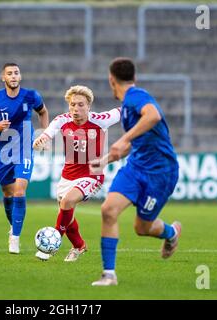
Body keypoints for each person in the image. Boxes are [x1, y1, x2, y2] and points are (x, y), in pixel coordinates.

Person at [89, 57, 181, 286]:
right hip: (135, 168)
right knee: (108, 210)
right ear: (134, 76)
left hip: (160, 173)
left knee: (142, 227)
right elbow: (133, 143)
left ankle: (171, 233)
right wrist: (106, 160)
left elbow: (153, 115)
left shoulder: (136, 96)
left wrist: (124, 138)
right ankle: (109, 275)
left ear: (111, 80)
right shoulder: (129, 107)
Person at [33, 85, 121, 262]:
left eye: (81, 105)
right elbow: (47, 134)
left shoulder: (100, 120)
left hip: (92, 175)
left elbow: (122, 110)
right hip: (68, 175)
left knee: (67, 202)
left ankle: (52, 243)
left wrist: (141, 106)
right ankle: (79, 246)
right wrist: (41, 140)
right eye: (72, 105)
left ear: (89, 106)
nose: (76, 109)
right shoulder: (62, 120)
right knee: (67, 213)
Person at [0, 62, 49, 254]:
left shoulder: (31, 95)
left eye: (16, 73)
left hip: (25, 147)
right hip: (4, 150)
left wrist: (43, 134)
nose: (14, 76)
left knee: (19, 192)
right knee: (8, 194)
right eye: (9, 73)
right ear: (3, 78)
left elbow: (43, 111)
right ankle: (13, 228)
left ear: (20, 76)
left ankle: (15, 239)